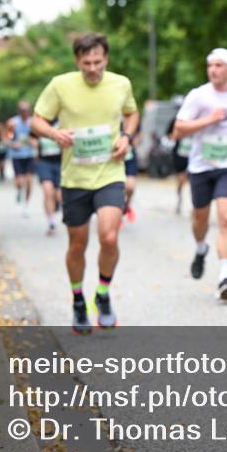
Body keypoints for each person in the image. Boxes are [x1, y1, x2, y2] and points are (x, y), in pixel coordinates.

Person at [32, 33, 139, 334]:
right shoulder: (60, 85)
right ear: (77, 61)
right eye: (86, 63)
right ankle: (78, 300)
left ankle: (102, 296)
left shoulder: (121, 84)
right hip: (75, 177)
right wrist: (55, 134)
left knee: (109, 238)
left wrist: (127, 137)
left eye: (98, 62)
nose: (93, 68)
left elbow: (132, 114)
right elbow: (37, 120)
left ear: (106, 58)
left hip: (109, 173)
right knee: (77, 245)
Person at [172, 48, 227, 302]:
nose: (213, 70)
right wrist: (209, 120)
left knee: (226, 218)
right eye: (210, 65)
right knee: (200, 219)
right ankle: (201, 248)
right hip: (201, 166)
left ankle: (225, 277)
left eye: (219, 65)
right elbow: (178, 129)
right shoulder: (198, 96)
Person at [7, 101, 36, 215]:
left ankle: (26, 204)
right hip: (17, 155)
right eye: (22, 110)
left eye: (27, 110)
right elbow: (8, 137)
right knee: (19, 181)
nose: (25, 112)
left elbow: (36, 138)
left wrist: (33, 142)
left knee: (29, 181)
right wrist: (13, 144)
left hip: (29, 155)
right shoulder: (13, 123)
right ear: (19, 111)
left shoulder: (33, 122)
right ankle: (19, 191)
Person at [36, 120, 63, 236]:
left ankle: (56, 205)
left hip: (60, 162)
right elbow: (31, 137)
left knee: (58, 195)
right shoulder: (39, 121)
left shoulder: (62, 120)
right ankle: (51, 223)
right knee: (47, 191)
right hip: (44, 161)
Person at [166, 116, 191, 214]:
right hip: (180, 154)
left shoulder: (200, 118)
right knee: (181, 180)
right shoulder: (177, 119)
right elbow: (169, 135)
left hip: (194, 156)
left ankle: (195, 205)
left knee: (194, 181)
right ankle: (179, 200)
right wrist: (177, 135)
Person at [121, 122, 140, 225]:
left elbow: (140, 133)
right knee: (118, 188)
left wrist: (135, 141)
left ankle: (126, 206)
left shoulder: (132, 117)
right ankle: (117, 215)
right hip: (116, 159)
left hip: (130, 158)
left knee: (130, 187)